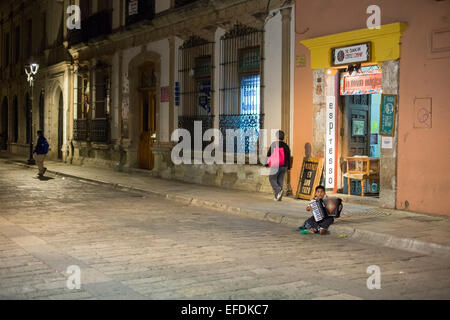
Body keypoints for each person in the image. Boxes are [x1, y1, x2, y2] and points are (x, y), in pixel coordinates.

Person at [266, 130, 291, 201]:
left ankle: (278, 190)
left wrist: (266, 163)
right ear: (283, 137)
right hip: (284, 166)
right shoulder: (286, 146)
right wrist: (288, 167)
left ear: (276, 136)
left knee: (272, 179)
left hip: (276, 165)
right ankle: (278, 197)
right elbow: (288, 157)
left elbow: (269, 154)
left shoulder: (274, 144)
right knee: (280, 181)